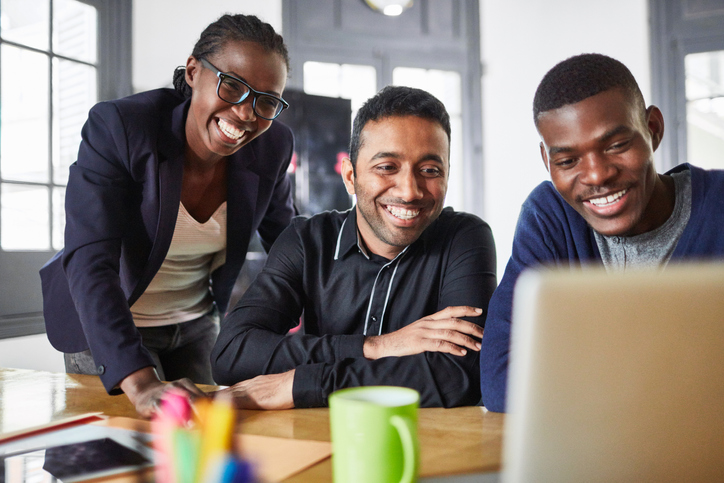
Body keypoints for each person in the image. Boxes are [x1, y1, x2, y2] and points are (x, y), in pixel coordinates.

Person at [40, 14, 296, 417]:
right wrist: (141, 384)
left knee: (211, 440)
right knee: (127, 455)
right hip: (110, 323)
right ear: (194, 71)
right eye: (232, 86)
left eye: (266, 101)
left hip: (194, 321)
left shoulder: (273, 145)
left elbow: (289, 244)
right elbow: (90, 259)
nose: (247, 114)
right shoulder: (122, 127)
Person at [210, 85, 497, 409]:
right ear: (350, 176)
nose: (410, 191)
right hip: (321, 442)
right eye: (387, 167)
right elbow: (232, 354)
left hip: (433, 447)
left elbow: (461, 376)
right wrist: (376, 347)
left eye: (430, 171)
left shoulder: (465, 239)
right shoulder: (307, 241)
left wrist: (300, 383)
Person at [479, 53, 724, 413]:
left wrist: (578, 365)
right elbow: (502, 381)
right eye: (567, 161)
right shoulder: (550, 218)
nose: (596, 175)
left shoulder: (718, 206)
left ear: (652, 129)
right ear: (548, 162)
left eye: (616, 145)